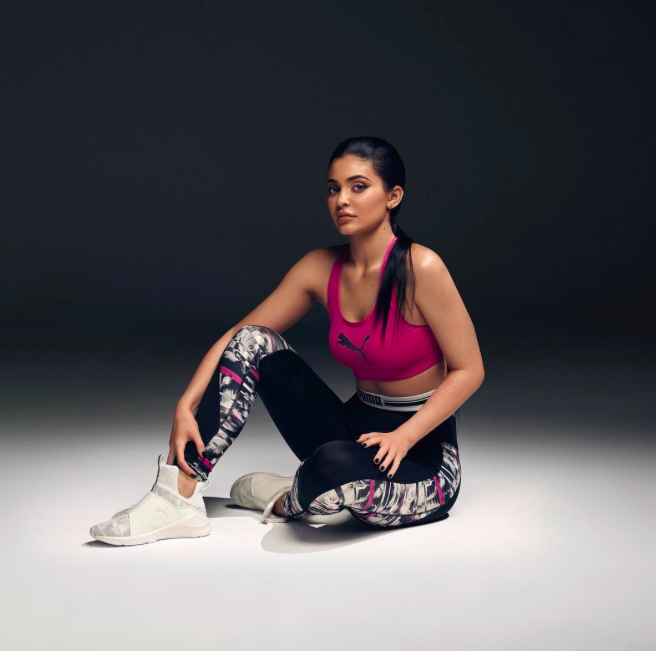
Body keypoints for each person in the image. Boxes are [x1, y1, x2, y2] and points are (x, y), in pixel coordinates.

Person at [89, 136, 485, 546]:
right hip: (354, 429)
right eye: (333, 188)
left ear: (393, 196)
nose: (342, 200)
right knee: (252, 341)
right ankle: (177, 496)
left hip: (423, 456)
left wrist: (404, 436)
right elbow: (237, 337)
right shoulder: (320, 267)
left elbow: (470, 370)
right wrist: (186, 403)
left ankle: (292, 497)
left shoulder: (421, 267)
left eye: (358, 186)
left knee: (331, 466)